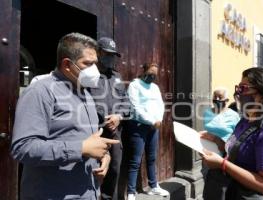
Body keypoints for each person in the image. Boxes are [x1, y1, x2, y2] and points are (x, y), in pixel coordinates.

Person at [11, 32, 119, 200]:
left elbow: (88, 140)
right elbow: (23, 148)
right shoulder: (41, 91)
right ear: (67, 64)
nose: (95, 70)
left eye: (95, 63)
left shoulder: (86, 94)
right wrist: (81, 149)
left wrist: (104, 156)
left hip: (88, 192)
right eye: (88, 64)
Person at [201, 67, 263, 199]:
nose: (237, 94)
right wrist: (217, 141)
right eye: (237, 88)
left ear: (262, 95)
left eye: (243, 88)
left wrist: (222, 164)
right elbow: (240, 151)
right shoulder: (245, 121)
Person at [89, 37, 130, 200]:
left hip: (115, 135)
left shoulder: (117, 77)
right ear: (97, 52)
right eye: (107, 54)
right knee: (94, 170)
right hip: (94, 133)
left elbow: (126, 104)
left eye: (113, 55)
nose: (111, 58)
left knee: (114, 170)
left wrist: (118, 117)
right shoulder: (87, 75)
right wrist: (103, 120)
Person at [126, 63, 169, 200]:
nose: (152, 76)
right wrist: (152, 121)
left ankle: (153, 186)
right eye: (150, 73)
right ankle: (131, 192)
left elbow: (160, 104)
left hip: (153, 127)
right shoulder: (135, 85)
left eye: (155, 74)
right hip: (139, 126)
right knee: (135, 160)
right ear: (143, 71)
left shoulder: (155, 87)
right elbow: (135, 107)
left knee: (151, 158)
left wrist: (159, 120)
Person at [201, 88, 240, 200]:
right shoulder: (207, 112)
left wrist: (221, 142)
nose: (217, 99)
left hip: (225, 154)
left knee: (222, 185)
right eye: (215, 96)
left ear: (227, 100)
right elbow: (207, 130)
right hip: (207, 151)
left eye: (220, 97)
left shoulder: (234, 115)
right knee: (207, 178)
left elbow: (236, 136)